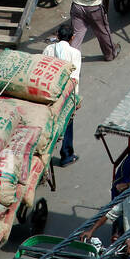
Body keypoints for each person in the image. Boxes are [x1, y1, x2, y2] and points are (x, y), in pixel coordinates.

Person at [44, 22, 80, 165]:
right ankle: (67, 155)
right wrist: (74, 101)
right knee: (67, 123)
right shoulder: (75, 53)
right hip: (65, 96)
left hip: (47, 93)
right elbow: (74, 79)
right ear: (72, 37)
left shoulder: (48, 49)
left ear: (57, 36)